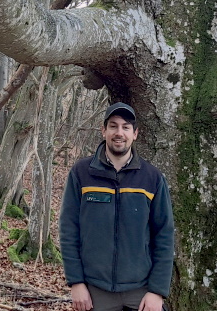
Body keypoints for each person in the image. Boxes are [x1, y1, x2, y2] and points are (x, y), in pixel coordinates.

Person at [59, 102, 174, 311]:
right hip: (95, 290)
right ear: (103, 131)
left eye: (125, 127)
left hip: (140, 290)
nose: (119, 132)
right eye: (113, 126)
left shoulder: (152, 178)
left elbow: (164, 235)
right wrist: (76, 283)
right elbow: (69, 230)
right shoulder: (81, 173)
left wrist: (157, 291)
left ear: (135, 133)